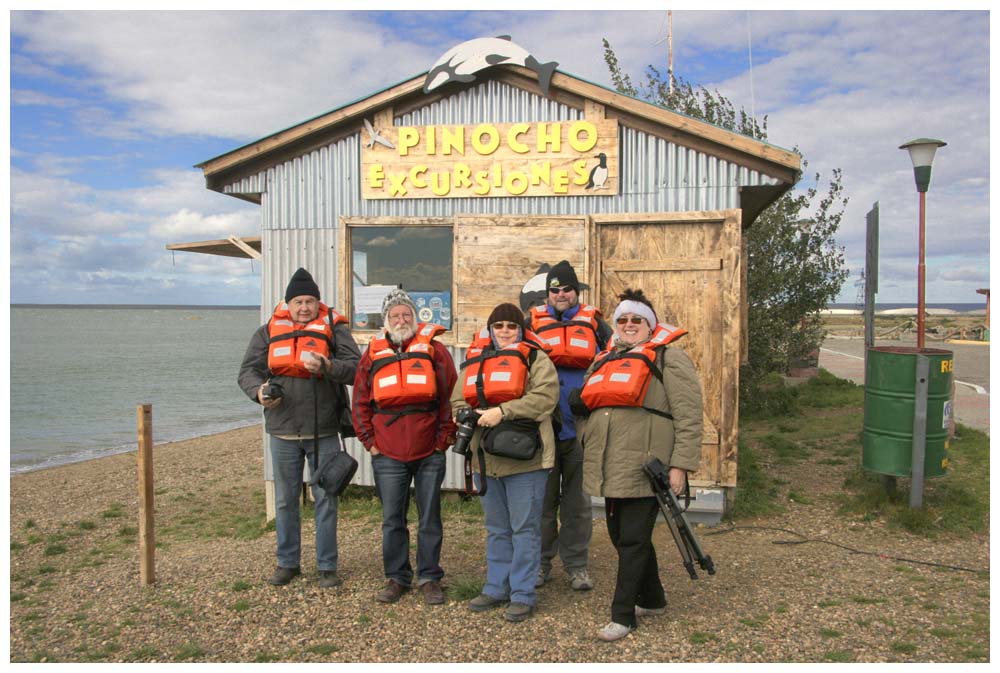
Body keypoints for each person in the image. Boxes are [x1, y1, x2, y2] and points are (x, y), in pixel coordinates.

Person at [574, 288, 702, 642]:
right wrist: (587, 436)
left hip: (647, 464)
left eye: (637, 320)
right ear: (615, 326)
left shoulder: (669, 360)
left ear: (650, 325)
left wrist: (681, 465)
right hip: (609, 462)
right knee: (622, 537)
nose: (629, 325)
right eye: (623, 320)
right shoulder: (602, 360)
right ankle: (654, 597)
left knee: (631, 539)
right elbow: (585, 407)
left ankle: (624, 615)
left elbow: (689, 416)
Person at [238, 268, 361, 588]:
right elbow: (247, 372)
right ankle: (287, 562)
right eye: (298, 301)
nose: (304, 307)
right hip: (281, 430)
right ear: (287, 304)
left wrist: (329, 366)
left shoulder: (334, 330)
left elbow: (358, 369)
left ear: (318, 303)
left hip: (324, 431)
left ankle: (326, 565)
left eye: (310, 301)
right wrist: (259, 393)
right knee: (285, 500)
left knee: (326, 498)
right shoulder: (266, 332)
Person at [450, 303, 559, 623]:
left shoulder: (536, 358)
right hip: (487, 459)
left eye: (511, 326)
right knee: (497, 528)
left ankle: (523, 593)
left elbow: (546, 398)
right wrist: (463, 413)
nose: (505, 331)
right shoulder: (474, 361)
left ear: (521, 329)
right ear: (490, 330)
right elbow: (458, 398)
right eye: (498, 326)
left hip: (527, 459)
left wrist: (504, 411)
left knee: (524, 528)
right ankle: (496, 586)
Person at [351, 289, 457, 606]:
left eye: (406, 314)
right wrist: (369, 442)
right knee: (392, 519)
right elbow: (359, 402)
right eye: (395, 315)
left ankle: (429, 577)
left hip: (429, 451)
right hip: (387, 452)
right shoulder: (371, 355)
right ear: (386, 321)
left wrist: (442, 441)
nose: (401, 319)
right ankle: (397, 577)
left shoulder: (435, 352)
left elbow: (450, 396)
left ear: (415, 318)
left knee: (430, 518)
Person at [527, 260, 613, 591]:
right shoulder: (531, 323)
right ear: (547, 293)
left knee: (577, 504)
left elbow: (614, 360)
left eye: (566, 289)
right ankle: (542, 563)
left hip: (581, 427)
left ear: (576, 292)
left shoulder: (597, 325)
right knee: (543, 503)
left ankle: (577, 566)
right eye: (554, 290)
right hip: (544, 427)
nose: (560, 295)